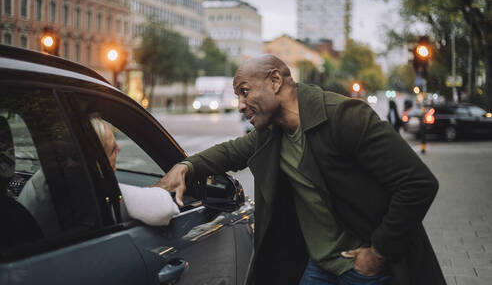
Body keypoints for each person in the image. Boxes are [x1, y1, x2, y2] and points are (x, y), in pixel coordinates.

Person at [155, 55, 445, 285]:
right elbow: (232, 151)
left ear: (275, 81)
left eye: (244, 92)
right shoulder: (273, 132)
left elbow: (418, 183)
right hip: (319, 266)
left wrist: (378, 253)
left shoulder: (346, 118)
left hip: (365, 269)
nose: (241, 105)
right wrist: (185, 166)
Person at [18, 118, 178, 235]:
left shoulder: (42, 179)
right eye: (111, 149)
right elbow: (164, 208)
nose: (119, 148)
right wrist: (161, 187)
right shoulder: (88, 190)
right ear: (94, 160)